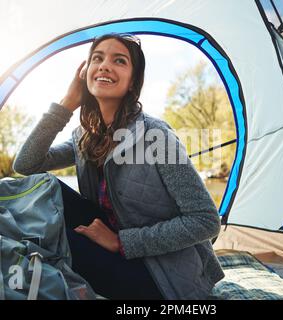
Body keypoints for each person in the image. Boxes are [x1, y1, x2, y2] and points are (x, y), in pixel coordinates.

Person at [13, 33, 224, 300]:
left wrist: (120, 242)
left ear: (133, 80)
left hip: (163, 275)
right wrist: (66, 103)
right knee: (44, 190)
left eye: (119, 61)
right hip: (114, 240)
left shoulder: (155, 136)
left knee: (50, 238)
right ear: (84, 72)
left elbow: (206, 221)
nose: (104, 65)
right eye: (97, 58)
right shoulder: (86, 137)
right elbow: (26, 165)